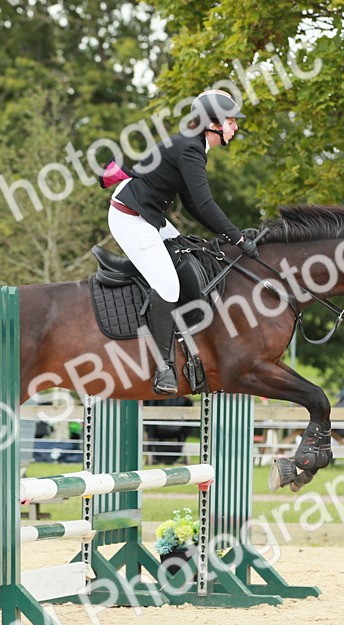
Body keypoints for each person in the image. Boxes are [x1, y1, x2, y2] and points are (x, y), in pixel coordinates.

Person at [107, 89, 259, 395]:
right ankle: (164, 366)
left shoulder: (193, 145)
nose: (235, 126)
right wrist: (238, 237)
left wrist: (230, 235)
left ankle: (185, 339)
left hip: (149, 214)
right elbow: (204, 204)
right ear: (213, 124)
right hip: (130, 217)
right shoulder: (191, 149)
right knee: (167, 286)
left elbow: (192, 204)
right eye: (231, 121)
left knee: (191, 257)